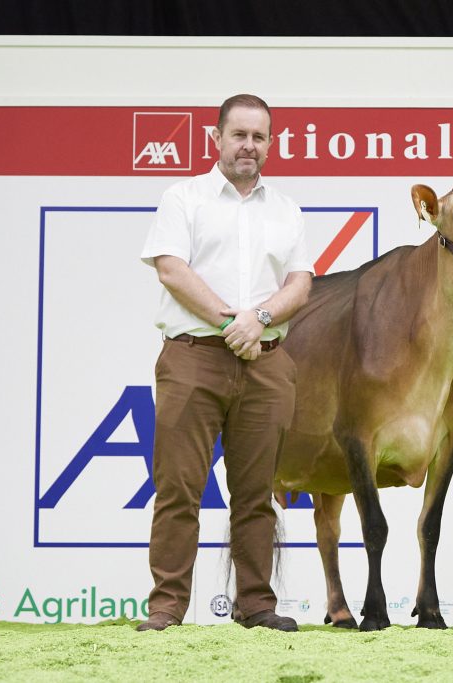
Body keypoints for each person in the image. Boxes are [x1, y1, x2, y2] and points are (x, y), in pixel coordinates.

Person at [137, 94, 313, 632]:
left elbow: (300, 284)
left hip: (266, 364)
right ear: (216, 138)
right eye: (239, 135)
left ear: (270, 144)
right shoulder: (183, 197)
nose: (249, 146)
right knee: (177, 490)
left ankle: (256, 606)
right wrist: (230, 322)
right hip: (193, 361)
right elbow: (171, 269)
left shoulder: (286, 209)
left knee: (258, 494)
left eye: (260, 137)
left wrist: (256, 319)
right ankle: (167, 609)